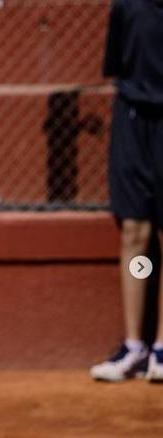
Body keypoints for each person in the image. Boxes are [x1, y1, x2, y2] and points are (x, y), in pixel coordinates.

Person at [90, 0, 163, 383]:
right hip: (134, 123)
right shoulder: (128, 7)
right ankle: (135, 346)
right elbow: (117, 66)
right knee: (138, 235)